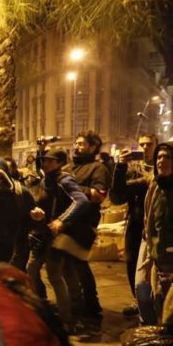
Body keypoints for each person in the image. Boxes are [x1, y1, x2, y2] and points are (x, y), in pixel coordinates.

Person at [28, 148, 91, 333]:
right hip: (43, 234)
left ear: (59, 162)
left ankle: (67, 319)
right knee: (32, 268)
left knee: (56, 275)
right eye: (44, 160)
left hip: (57, 236)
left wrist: (61, 220)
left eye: (50, 160)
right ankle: (47, 310)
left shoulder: (64, 179)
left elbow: (82, 201)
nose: (45, 163)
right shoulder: (44, 179)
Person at [65, 131, 111, 322]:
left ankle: (90, 303)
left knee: (78, 261)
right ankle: (82, 301)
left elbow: (98, 195)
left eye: (82, 143)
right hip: (67, 221)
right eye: (76, 143)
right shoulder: (69, 167)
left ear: (93, 147)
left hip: (85, 223)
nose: (77, 146)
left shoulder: (98, 168)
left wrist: (71, 187)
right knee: (70, 263)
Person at [110, 133, 157, 317]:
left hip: (158, 224)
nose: (145, 148)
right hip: (137, 223)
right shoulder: (135, 170)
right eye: (142, 144)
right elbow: (117, 197)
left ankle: (156, 300)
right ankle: (138, 300)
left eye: (149, 144)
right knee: (132, 262)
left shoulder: (162, 168)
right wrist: (120, 167)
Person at [141, 142, 173, 329]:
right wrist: (149, 257)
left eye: (168, 157)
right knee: (160, 306)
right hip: (158, 259)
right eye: (159, 157)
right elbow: (150, 224)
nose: (162, 161)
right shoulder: (155, 186)